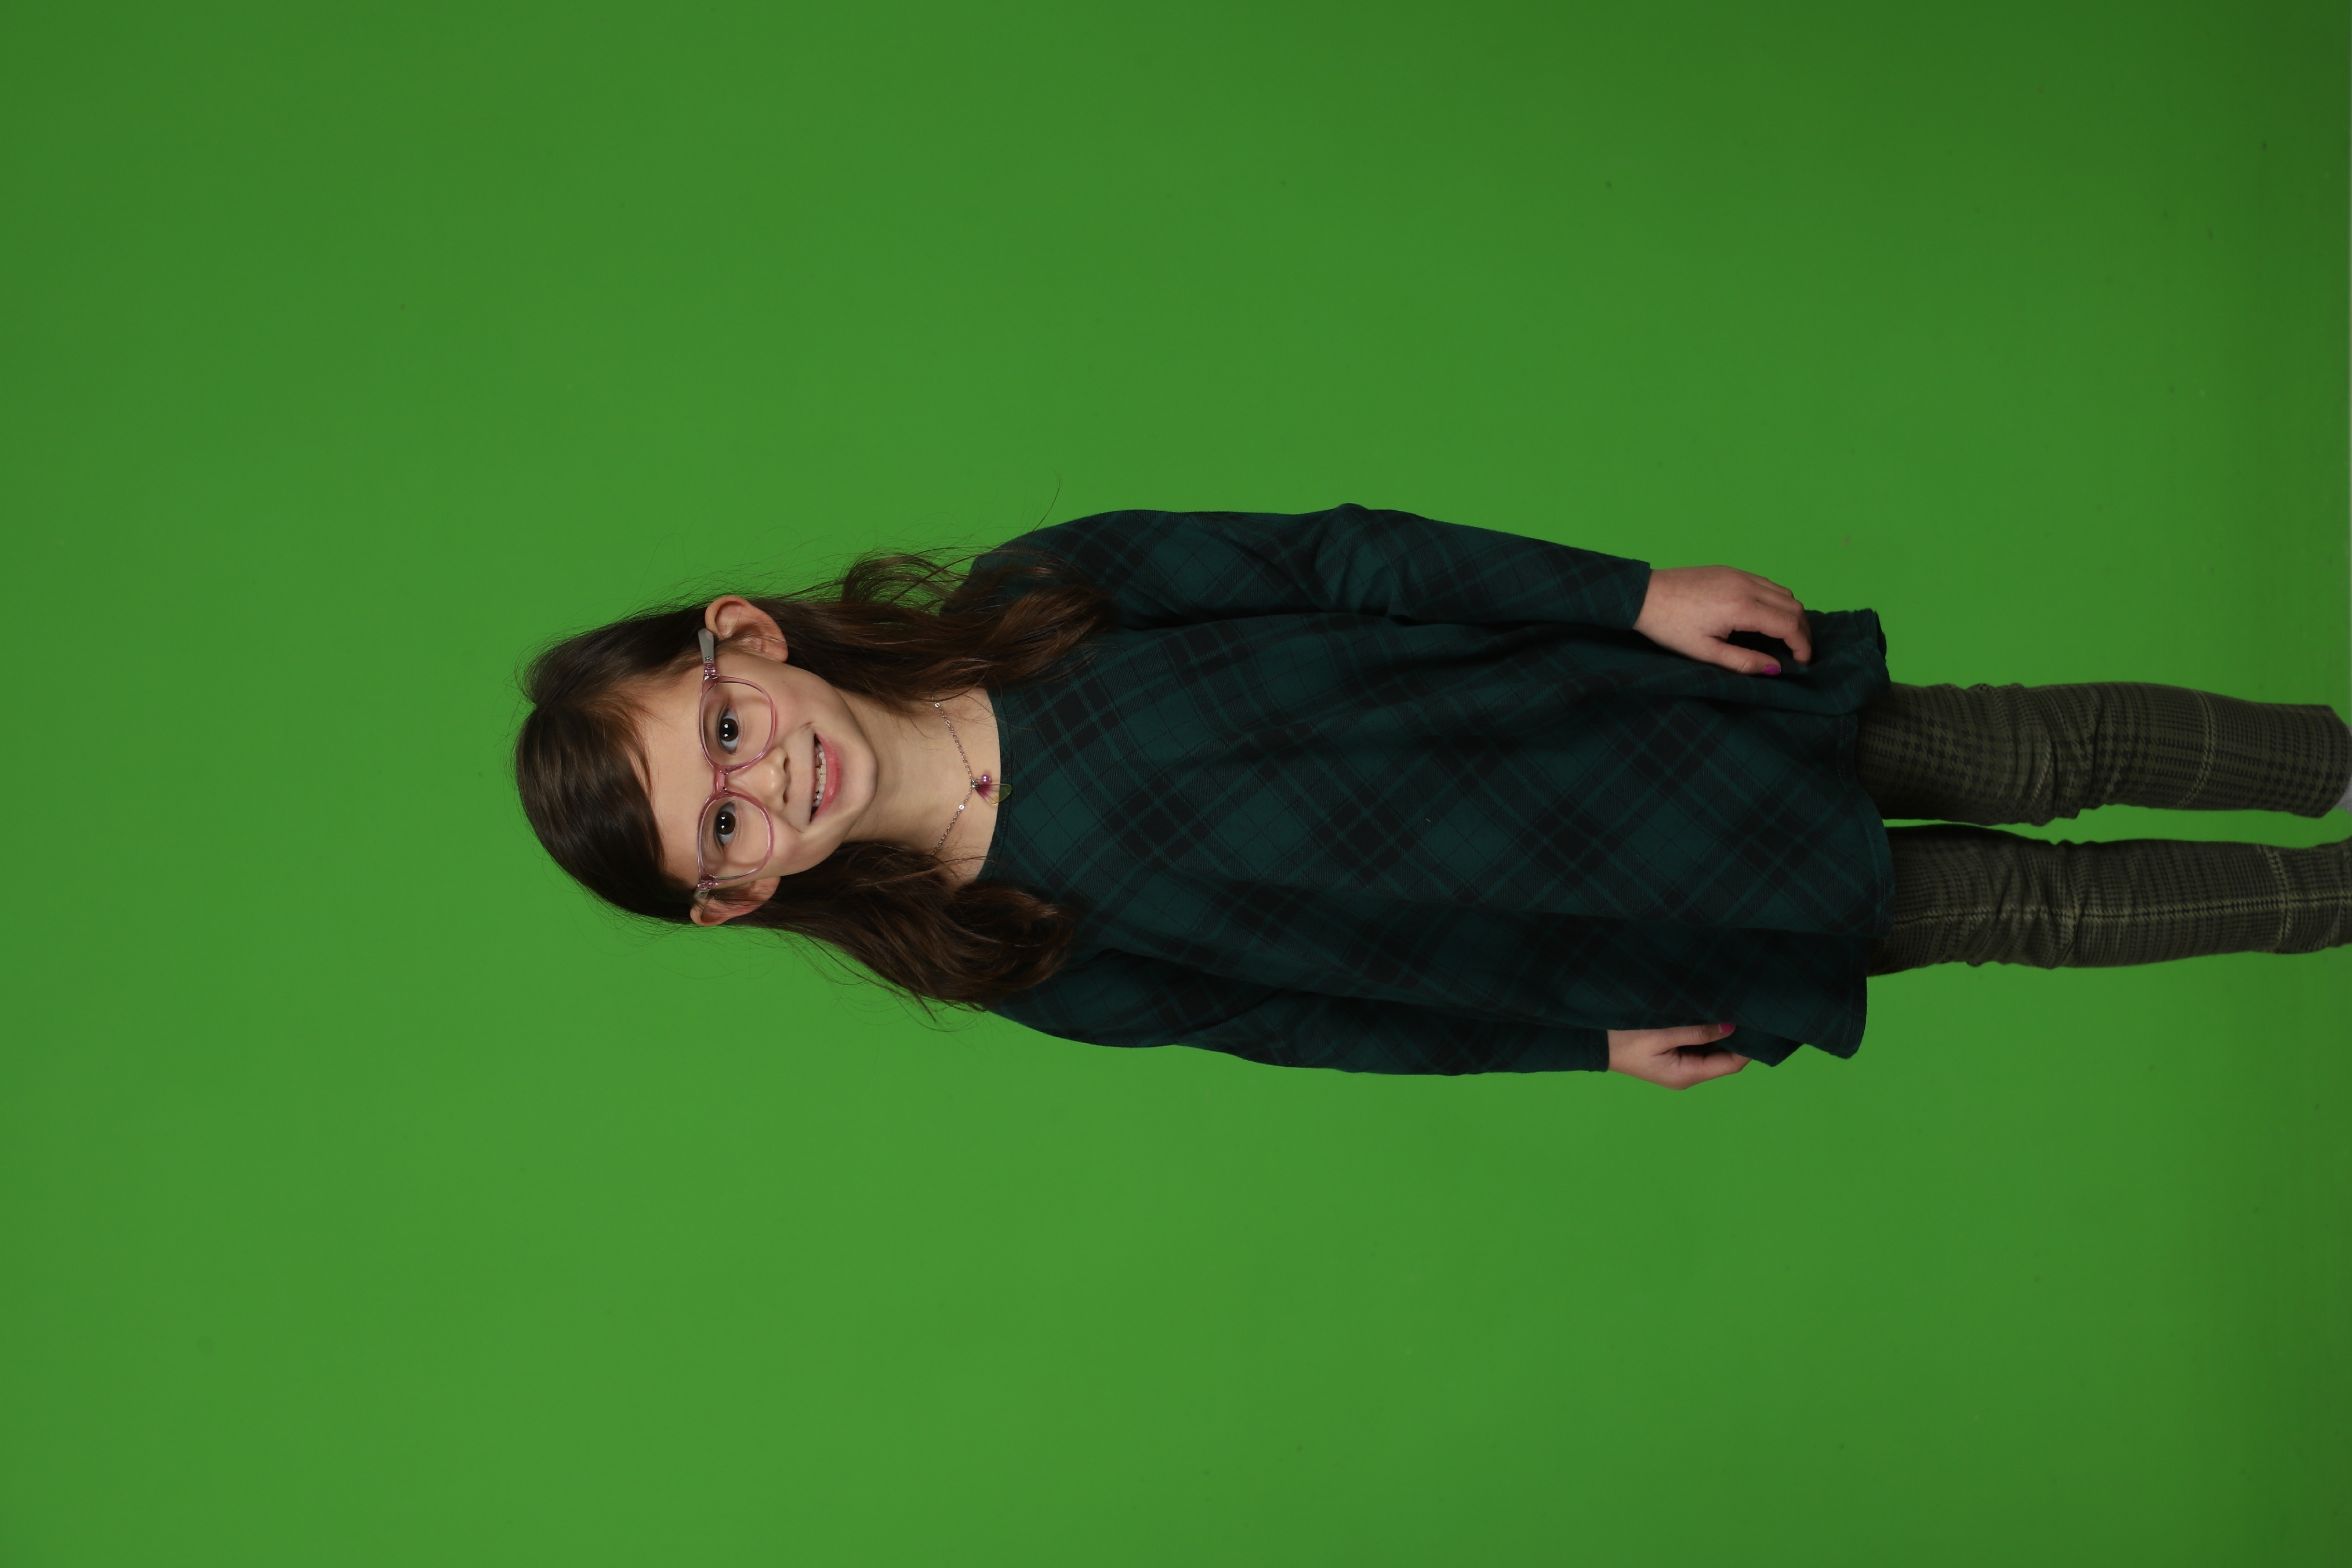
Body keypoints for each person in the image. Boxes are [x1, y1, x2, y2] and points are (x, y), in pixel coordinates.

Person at [514, 506, 2352, 1090]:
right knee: (2028, 911)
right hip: (1598, 916)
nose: (766, 782)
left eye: (725, 735)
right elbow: (1319, 1024)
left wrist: (1627, 599)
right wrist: (1583, 1046)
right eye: (723, 828)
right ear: (739, 895)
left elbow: (1343, 563)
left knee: (2032, 752)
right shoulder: (1014, 949)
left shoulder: (1039, 596)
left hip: (1599, 716)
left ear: (743, 640)